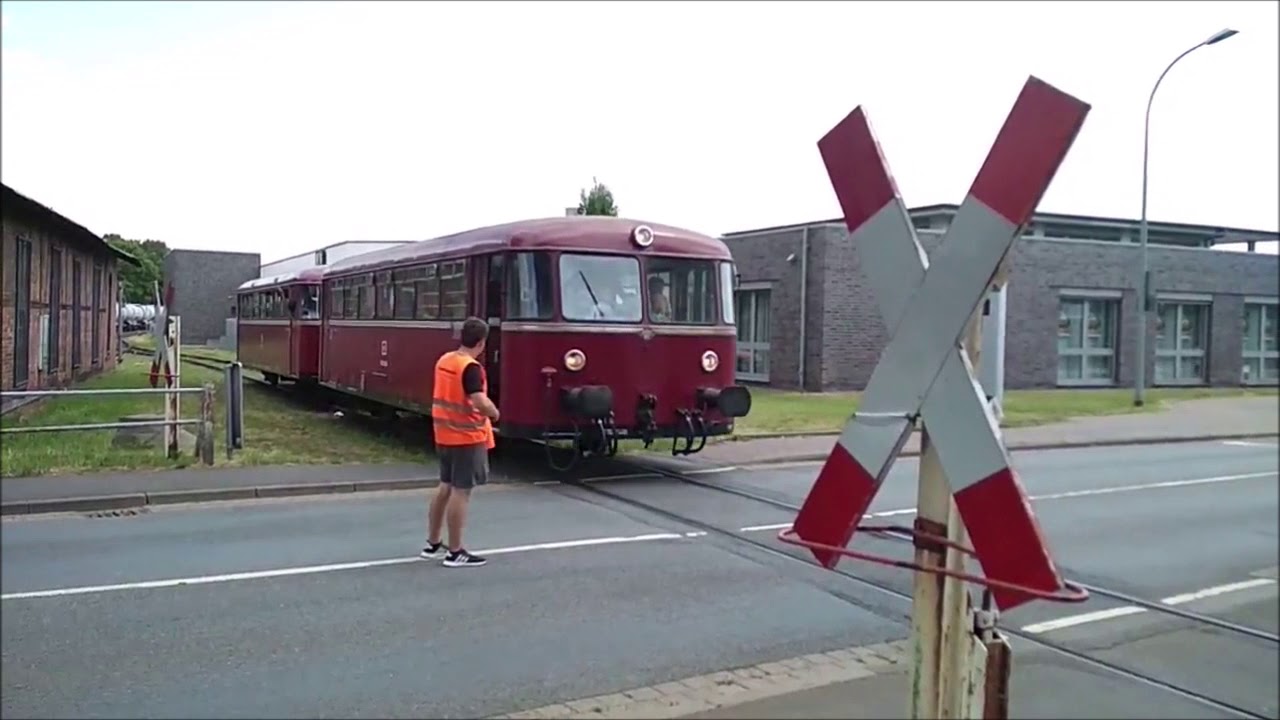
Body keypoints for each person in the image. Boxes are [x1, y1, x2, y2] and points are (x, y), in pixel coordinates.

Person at [421, 317, 499, 568]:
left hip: (443, 433)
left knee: (445, 486)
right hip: (466, 436)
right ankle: (455, 551)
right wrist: (495, 413)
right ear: (482, 342)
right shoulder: (470, 367)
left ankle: (433, 543)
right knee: (461, 491)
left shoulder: (445, 360)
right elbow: (478, 401)